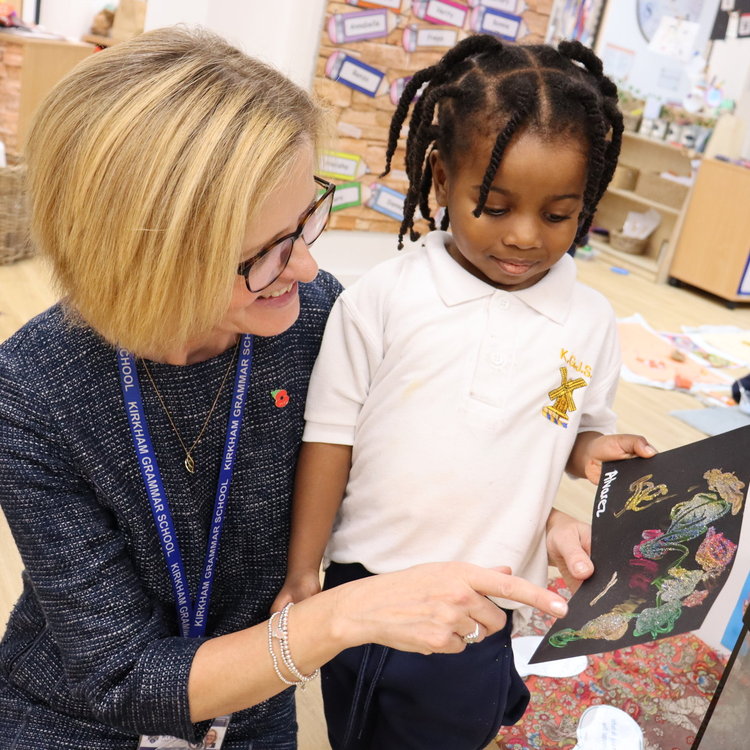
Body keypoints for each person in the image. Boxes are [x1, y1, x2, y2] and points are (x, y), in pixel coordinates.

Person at [0, 27, 573, 750]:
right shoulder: (32, 391)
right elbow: (121, 676)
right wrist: (338, 617)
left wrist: (528, 507)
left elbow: (409, 444)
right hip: (74, 715)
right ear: (144, 259)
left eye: (307, 220)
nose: (305, 269)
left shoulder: (321, 317)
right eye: (265, 252)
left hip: (253, 704)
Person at [273, 35, 658, 750]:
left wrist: (599, 451)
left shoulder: (590, 320)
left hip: (495, 591)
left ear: (588, 204)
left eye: (556, 215)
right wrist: (304, 572)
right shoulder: (384, 299)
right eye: (495, 204)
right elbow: (331, 438)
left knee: (465, 724)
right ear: (443, 178)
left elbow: (571, 429)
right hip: (376, 583)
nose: (522, 238)